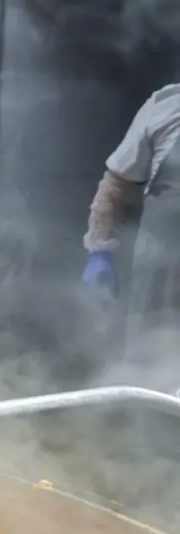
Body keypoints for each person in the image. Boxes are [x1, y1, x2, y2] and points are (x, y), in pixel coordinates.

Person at [81, 83, 180, 384]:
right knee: (152, 372)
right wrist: (99, 252)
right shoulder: (166, 106)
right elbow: (115, 187)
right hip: (160, 277)